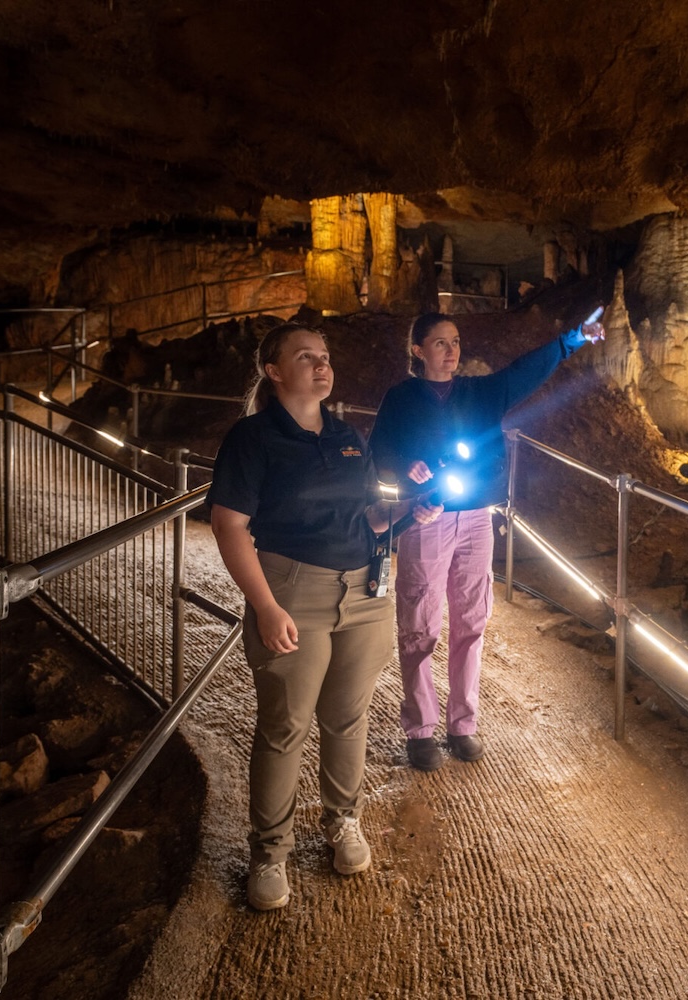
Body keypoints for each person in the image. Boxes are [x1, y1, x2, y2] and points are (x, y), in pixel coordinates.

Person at [207, 321, 440, 912]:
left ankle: (343, 821)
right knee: (285, 725)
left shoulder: (346, 436)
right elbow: (229, 525)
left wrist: (411, 511)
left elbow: (370, 518)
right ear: (274, 372)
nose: (321, 365)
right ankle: (269, 851)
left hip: (364, 594)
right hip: (292, 591)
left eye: (325, 356)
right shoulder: (253, 439)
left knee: (347, 717)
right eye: (305, 357)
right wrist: (265, 605)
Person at [369, 309, 604, 771]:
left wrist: (573, 339)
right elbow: (380, 449)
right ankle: (420, 729)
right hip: (425, 516)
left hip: (477, 517)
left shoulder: (479, 393)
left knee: (471, 620)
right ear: (418, 350)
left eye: (456, 341)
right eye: (440, 342)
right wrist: (407, 465)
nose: (452, 350)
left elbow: (524, 372)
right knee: (419, 622)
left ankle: (463, 724)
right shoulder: (400, 398)